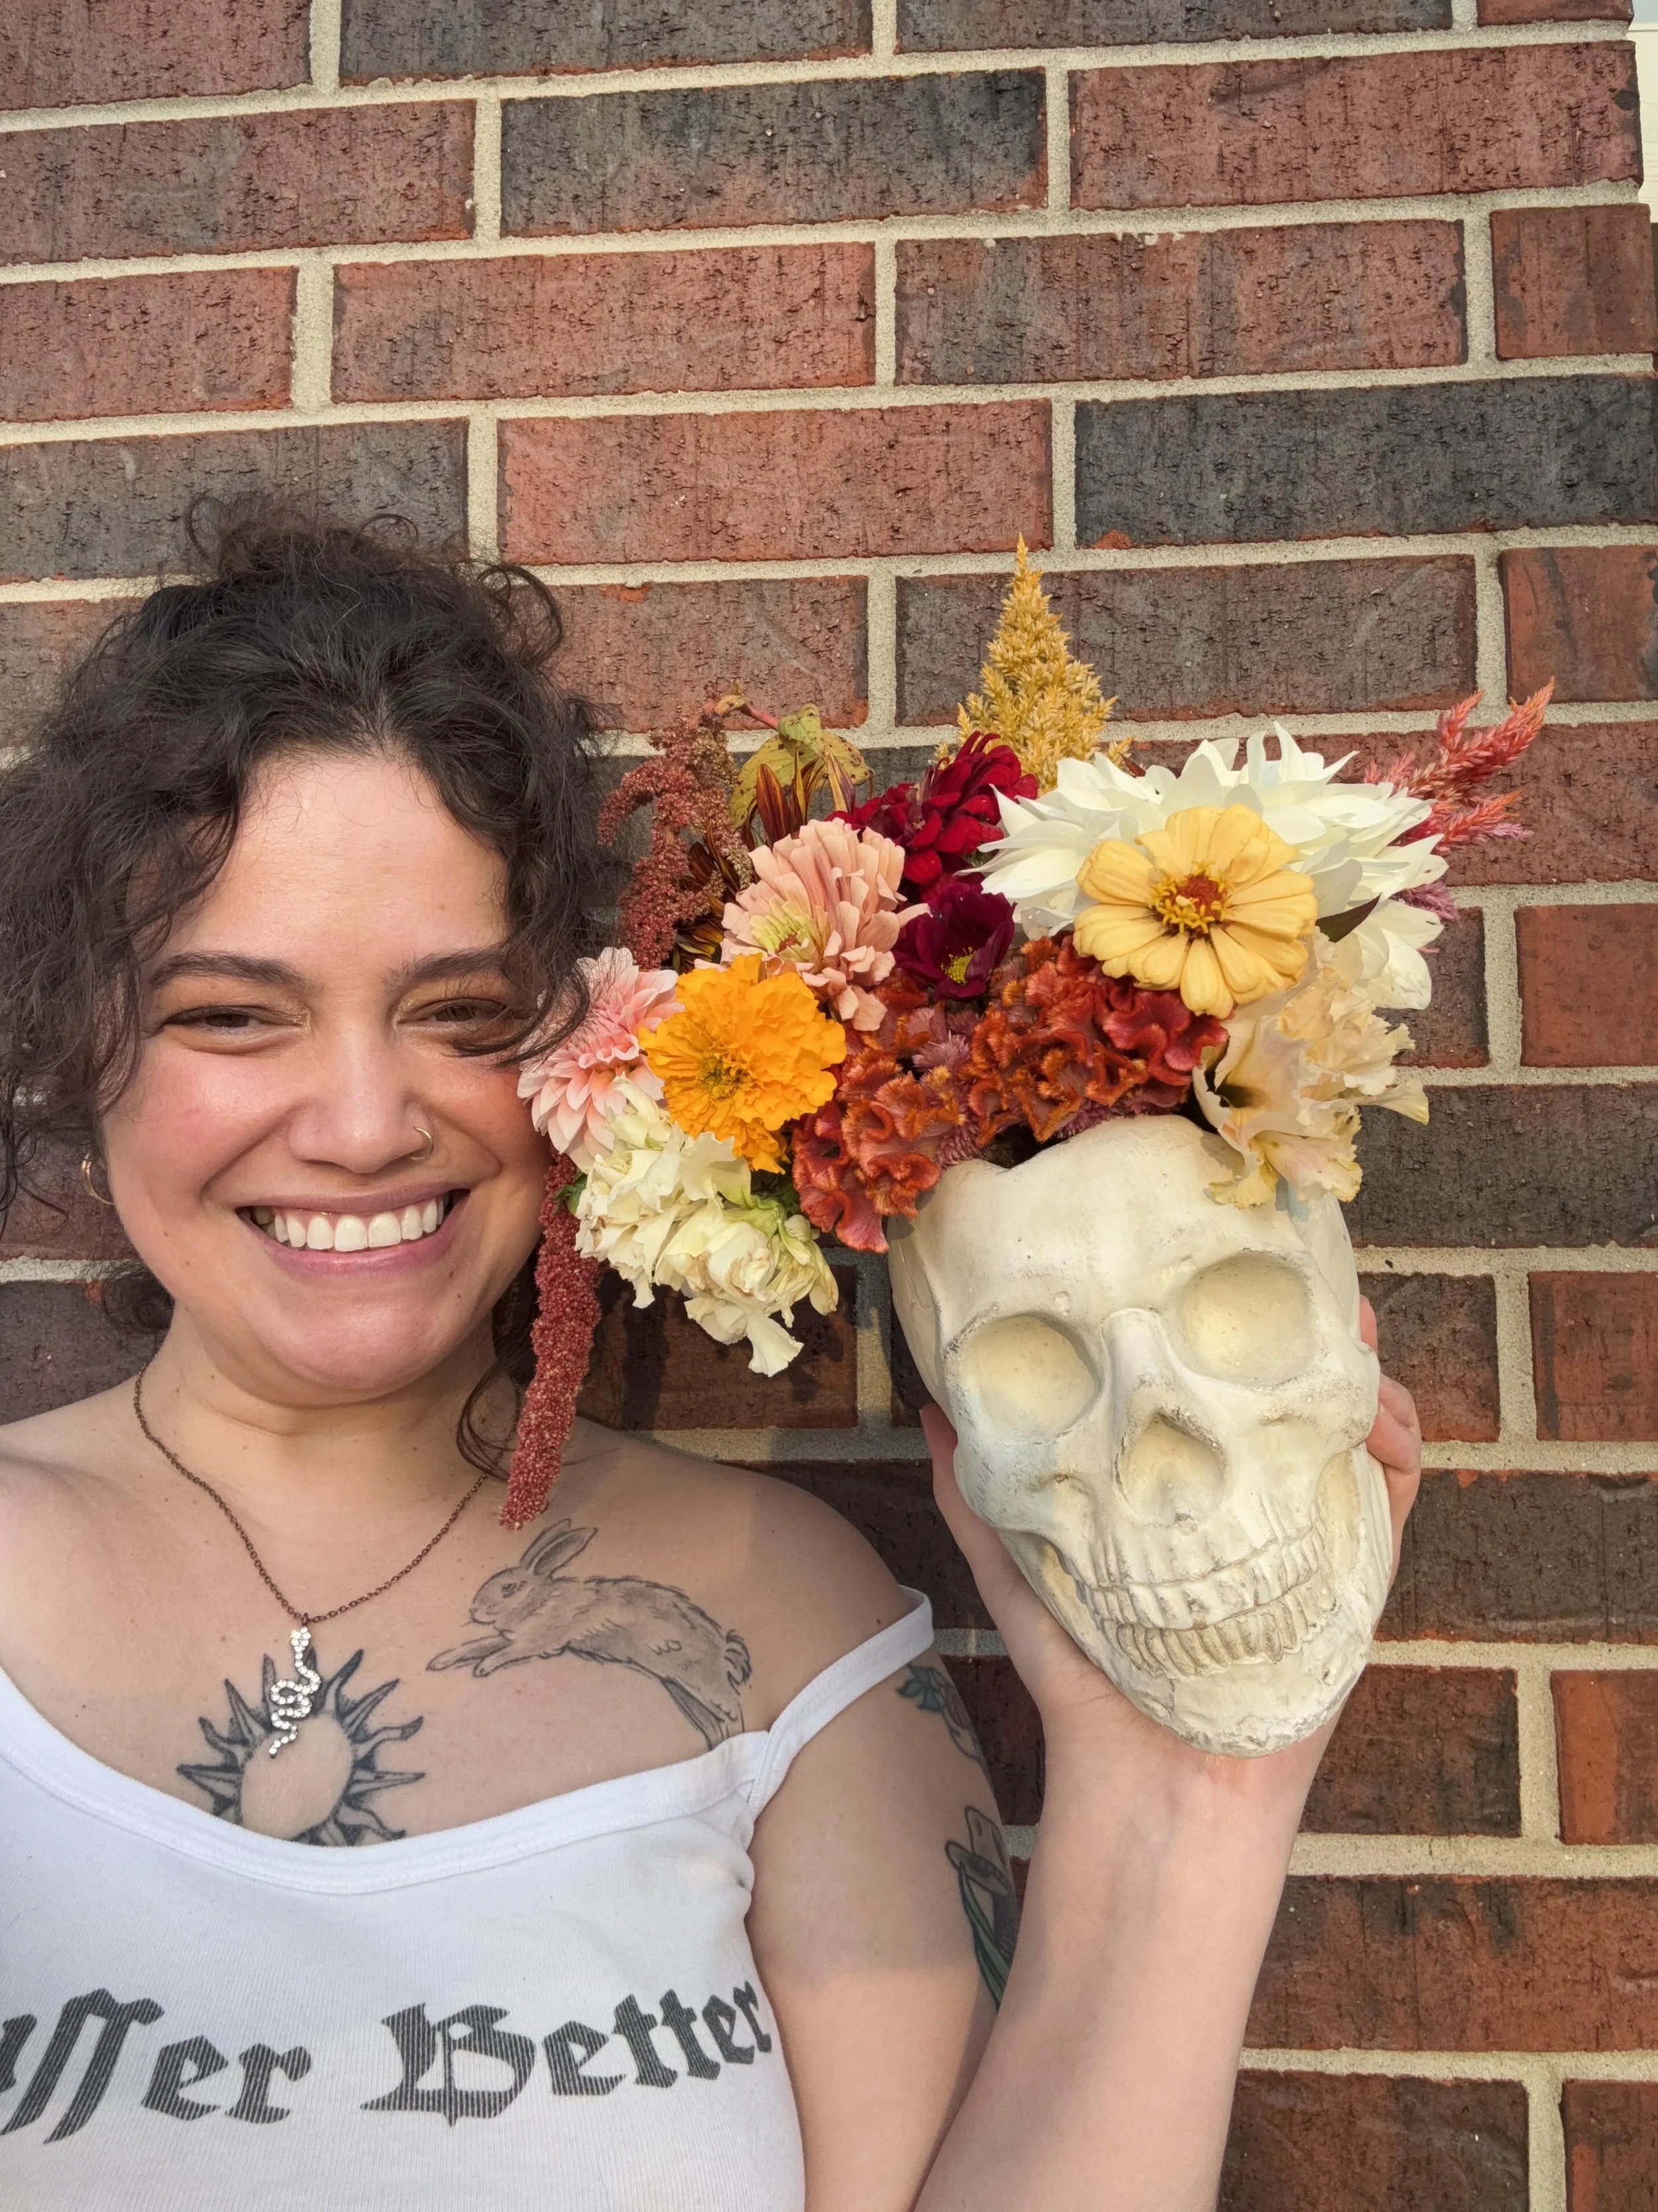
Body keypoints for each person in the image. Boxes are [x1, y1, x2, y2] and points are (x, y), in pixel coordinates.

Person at [0, 512, 1423, 2211]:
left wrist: (1187, 1784)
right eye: (234, 1013)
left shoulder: (783, 1618)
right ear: (78, 1038)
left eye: (461, 1011)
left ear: (590, 1044)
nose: (367, 1124)